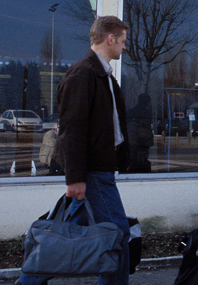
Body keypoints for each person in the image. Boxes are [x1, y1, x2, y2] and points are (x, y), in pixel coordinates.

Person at [17, 16, 132, 285]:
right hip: (92, 172)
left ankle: (27, 282)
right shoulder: (84, 74)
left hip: (98, 169)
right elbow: (72, 129)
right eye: (123, 41)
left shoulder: (103, 76)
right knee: (117, 234)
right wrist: (76, 178)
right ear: (110, 38)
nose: (125, 48)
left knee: (64, 234)